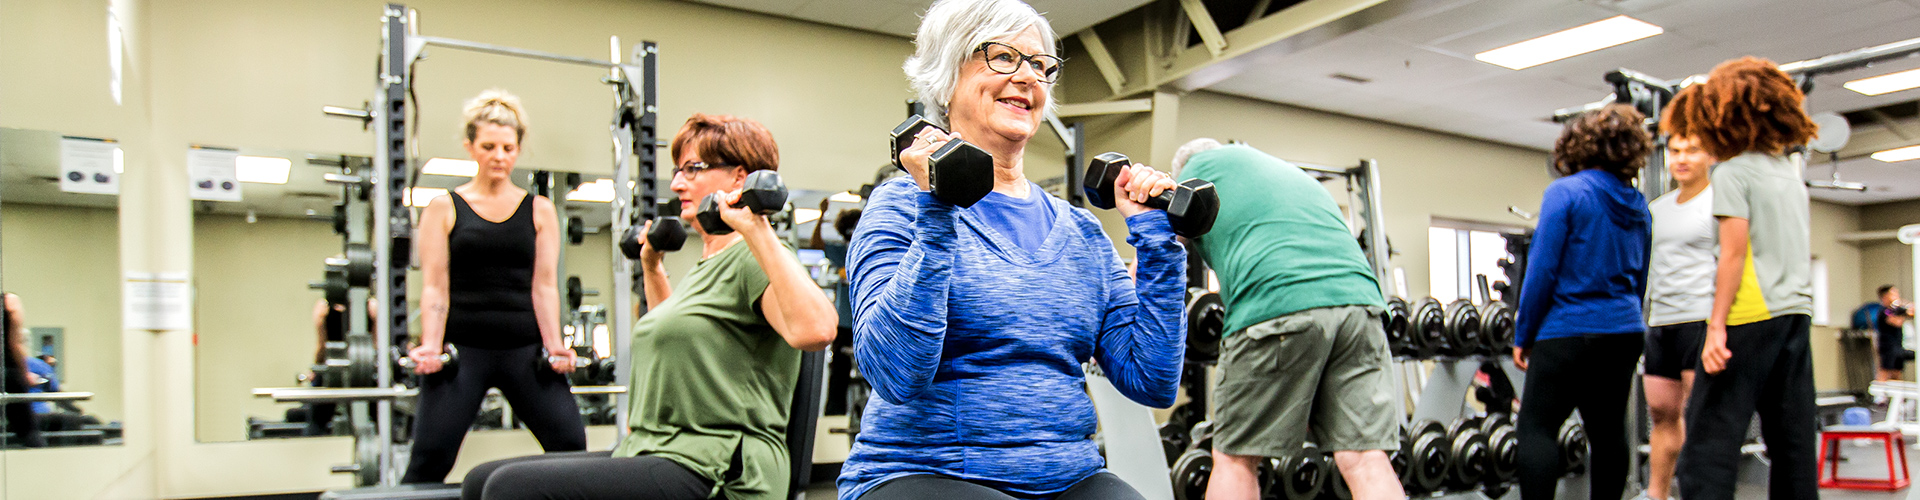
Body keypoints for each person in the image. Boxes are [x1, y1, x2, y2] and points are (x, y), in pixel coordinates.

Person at [840, 0, 1188, 498]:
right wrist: (937, 211)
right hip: (926, 470)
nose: (1029, 78)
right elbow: (895, 374)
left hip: (1070, 475)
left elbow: (1149, 380)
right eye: (1004, 57)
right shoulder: (899, 207)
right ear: (945, 78)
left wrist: (1156, 240)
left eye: (1041, 66)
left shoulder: (1082, 233)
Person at [457, 113, 837, 500]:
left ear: (740, 177)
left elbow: (818, 329)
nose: (676, 183)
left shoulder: (754, 258)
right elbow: (671, 336)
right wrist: (652, 267)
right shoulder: (706, 267)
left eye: (693, 168)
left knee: (510, 491)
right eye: (677, 170)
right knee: (479, 480)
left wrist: (756, 227)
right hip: (659, 450)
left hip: (721, 466)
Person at [1165, 139, 1404, 500]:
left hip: (1275, 305)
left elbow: (1158, 245)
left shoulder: (1192, 176)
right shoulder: (1283, 172)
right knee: (1364, 458)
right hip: (1361, 306)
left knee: (1235, 459)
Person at [400, 89, 587, 484]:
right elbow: (435, 286)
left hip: (524, 347)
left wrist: (555, 347)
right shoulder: (444, 207)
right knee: (429, 460)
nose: (499, 156)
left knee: (571, 445)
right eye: (488, 146)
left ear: (518, 148)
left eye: (508, 147)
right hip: (464, 351)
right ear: (471, 148)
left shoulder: (539, 209)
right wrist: (432, 345)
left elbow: (545, 287)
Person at [1664, 56, 1821, 500]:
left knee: (1708, 447)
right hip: (1793, 317)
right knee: (1792, 444)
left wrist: (1715, 326)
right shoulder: (1789, 175)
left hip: (1747, 316)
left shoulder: (1731, 172)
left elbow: (1733, 254)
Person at [1511, 103, 1652, 500]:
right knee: (1608, 432)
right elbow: (1640, 276)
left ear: (1578, 147)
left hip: (1568, 331)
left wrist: (1524, 333)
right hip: (1623, 329)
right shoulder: (1637, 203)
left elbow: (1541, 271)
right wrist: (1622, 318)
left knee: (1537, 428)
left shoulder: (1565, 192)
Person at [1640, 89, 1717, 500]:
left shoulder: (1719, 202)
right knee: (1661, 415)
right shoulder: (1658, 208)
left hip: (1700, 319)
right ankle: (1657, 495)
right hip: (1661, 323)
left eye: (1692, 150)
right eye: (1675, 150)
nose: (1682, 158)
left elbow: (1732, 266)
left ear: (1710, 156)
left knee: (1698, 418)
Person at [3, 292, 46, 447]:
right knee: (28, 432)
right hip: (9, 372)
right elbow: (15, 343)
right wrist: (25, 373)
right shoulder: (10, 301)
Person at [1875, 285, 1915, 381]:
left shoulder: (1895, 310)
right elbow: (1896, 322)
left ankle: (1897, 395)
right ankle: (1879, 395)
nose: (1897, 295)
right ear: (1886, 296)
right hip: (1888, 347)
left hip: (1898, 346)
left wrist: (1907, 308)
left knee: (1896, 372)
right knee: (1885, 371)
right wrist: (1903, 312)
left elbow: (1912, 313)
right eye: (1893, 293)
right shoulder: (1885, 311)